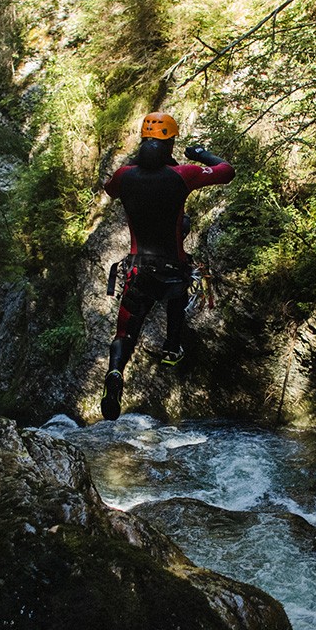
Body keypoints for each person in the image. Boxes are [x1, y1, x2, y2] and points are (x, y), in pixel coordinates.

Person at [100, 112, 234, 420]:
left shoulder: (124, 176)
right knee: (178, 294)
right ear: (171, 141)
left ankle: (115, 373)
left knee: (124, 333)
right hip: (173, 272)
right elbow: (225, 171)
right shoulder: (183, 175)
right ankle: (172, 347)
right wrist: (201, 155)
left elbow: (110, 188)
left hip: (139, 271)